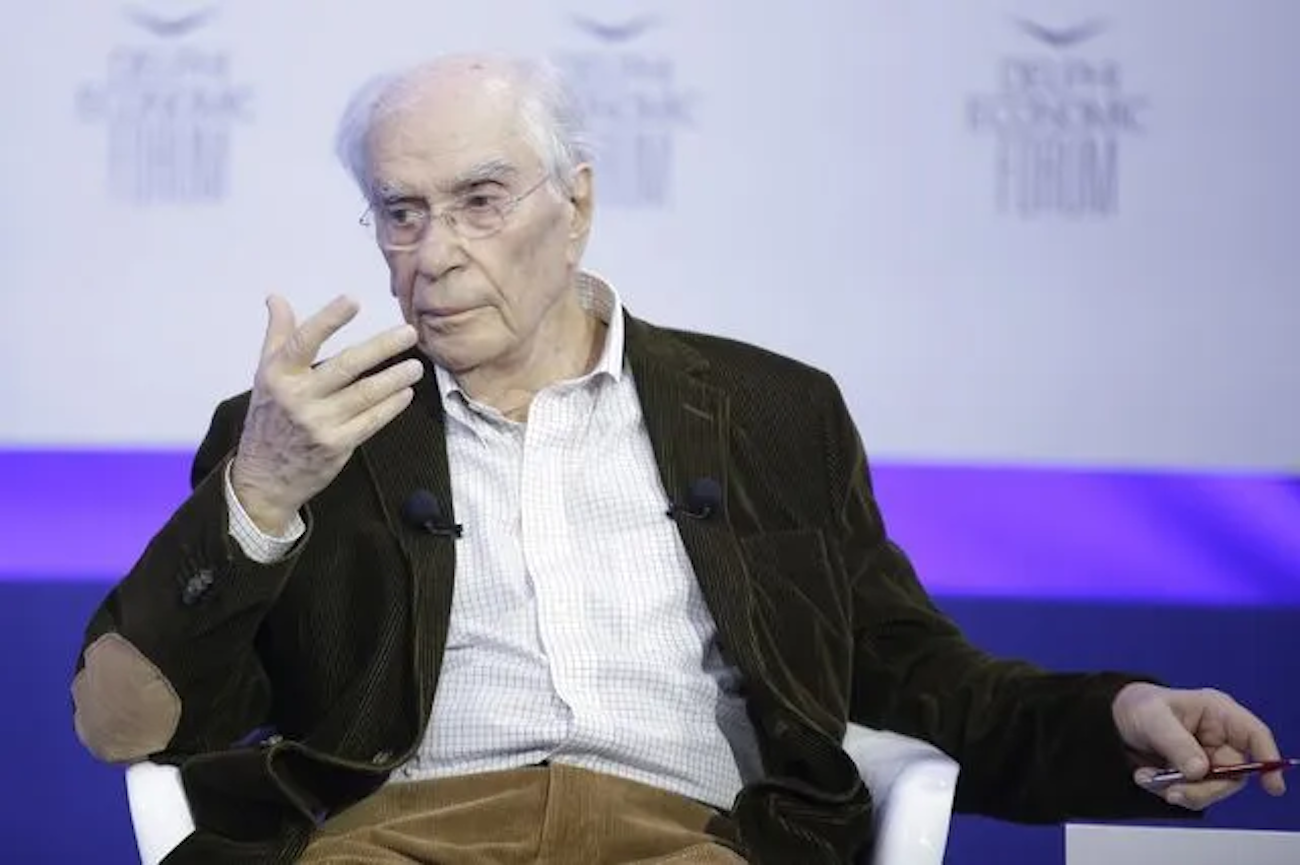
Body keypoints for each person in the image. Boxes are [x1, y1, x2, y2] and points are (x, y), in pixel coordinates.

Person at [71, 54, 1287, 865]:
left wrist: (1118, 719)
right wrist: (259, 495)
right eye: (401, 211)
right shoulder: (301, 432)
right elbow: (128, 725)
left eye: (480, 199)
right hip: (395, 842)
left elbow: (913, 676)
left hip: (689, 841)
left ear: (577, 204)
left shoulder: (770, 414)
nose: (432, 253)